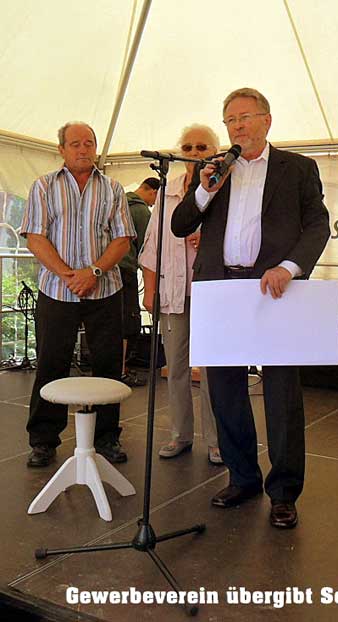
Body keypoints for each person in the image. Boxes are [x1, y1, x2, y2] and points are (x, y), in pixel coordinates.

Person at [171, 88, 330, 528]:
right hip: (221, 290)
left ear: (266, 120)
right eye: (230, 119)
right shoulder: (213, 170)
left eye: (245, 117)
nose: (238, 126)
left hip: (274, 289)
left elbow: (318, 225)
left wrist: (290, 267)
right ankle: (242, 477)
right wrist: (204, 192)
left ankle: (284, 492)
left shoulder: (297, 168)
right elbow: (181, 224)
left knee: (281, 393)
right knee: (224, 390)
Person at [21, 122, 136, 467]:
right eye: (75, 144)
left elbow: (122, 239)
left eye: (89, 143)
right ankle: (43, 440)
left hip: (105, 289)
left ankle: (107, 437)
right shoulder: (44, 186)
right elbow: (35, 237)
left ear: (96, 148)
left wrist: (94, 272)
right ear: (62, 149)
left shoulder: (113, 188)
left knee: (108, 365)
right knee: (50, 362)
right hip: (57, 290)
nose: (83, 149)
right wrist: (68, 275)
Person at [140, 124, 223, 465]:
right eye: (187, 147)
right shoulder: (167, 190)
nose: (193, 153)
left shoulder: (226, 186)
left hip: (213, 293)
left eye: (202, 147)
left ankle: (217, 440)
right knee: (175, 367)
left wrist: (211, 239)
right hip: (174, 292)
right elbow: (152, 243)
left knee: (214, 373)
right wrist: (150, 289)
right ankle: (180, 434)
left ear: (215, 151)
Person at [119, 177, 159, 387]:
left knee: (112, 321)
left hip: (107, 270)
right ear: (152, 191)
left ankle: (111, 370)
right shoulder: (142, 211)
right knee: (128, 321)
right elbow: (147, 249)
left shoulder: (119, 203)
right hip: (125, 270)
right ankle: (121, 371)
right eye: (155, 200)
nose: (153, 204)